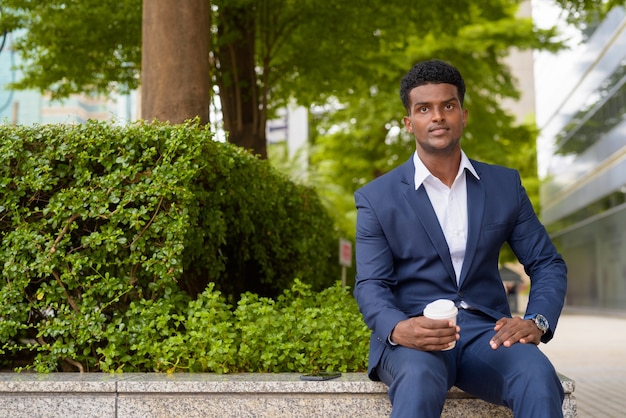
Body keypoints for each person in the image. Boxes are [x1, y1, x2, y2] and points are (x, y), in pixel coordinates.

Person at [353, 59, 567, 417]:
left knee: (536, 373)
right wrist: (397, 328)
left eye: (447, 106)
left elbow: (547, 262)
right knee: (419, 380)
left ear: (463, 115)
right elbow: (371, 284)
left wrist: (537, 321)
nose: (437, 116)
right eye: (424, 109)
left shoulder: (504, 185)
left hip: (487, 333)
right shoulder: (377, 198)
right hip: (415, 337)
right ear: (409, 123)